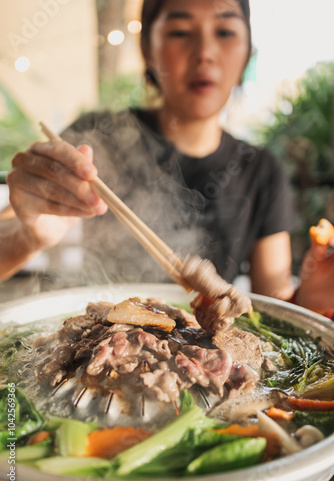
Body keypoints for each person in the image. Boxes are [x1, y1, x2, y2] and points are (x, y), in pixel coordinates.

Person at [1, 0, 334, 315]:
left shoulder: (261, 169)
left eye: (225, 32)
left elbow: (271, 308)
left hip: (207, 358)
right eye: (180, 32)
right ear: (147, 48)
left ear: (247, 50)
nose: (204, 53)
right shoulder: (97, 139)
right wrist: (27, 236)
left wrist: (310, 296)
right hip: (99, 339)